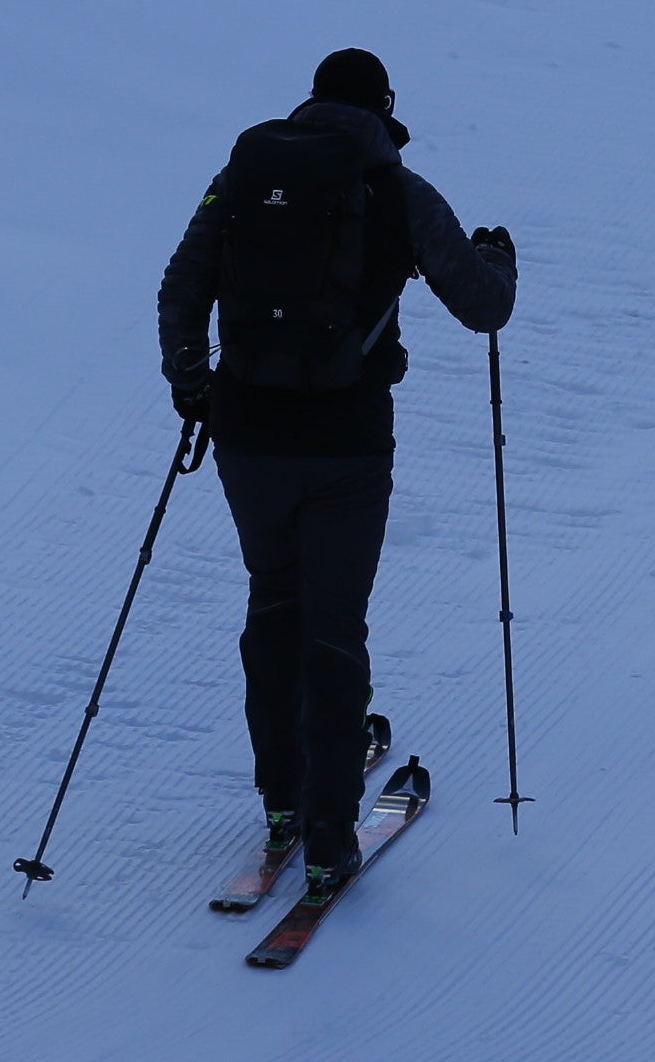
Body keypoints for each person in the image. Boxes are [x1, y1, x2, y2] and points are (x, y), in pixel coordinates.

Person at [158, 49, 515, 893]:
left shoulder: (243, 173)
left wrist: (192, 386)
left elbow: (182, 284)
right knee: (334, 622)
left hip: (247, 436)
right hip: (348, 441)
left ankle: (283, 800)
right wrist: (496, 256)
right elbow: (483, 304)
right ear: (384, 107)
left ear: (312, 99)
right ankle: (328, 834)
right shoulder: (396, 188)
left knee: (273, 598)